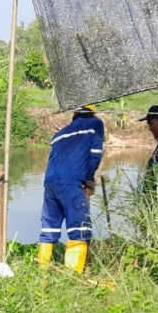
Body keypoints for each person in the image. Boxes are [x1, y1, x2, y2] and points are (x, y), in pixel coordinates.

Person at [37, 104, 104, 272]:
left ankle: (42, 270)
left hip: (50, 183)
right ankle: (72, 274)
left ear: (74, 115)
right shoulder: (95, 125)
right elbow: (95, 155)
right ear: (92, 115)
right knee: (79, 227)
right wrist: (88, 178)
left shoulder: (59, 134)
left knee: (49, 228)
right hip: (71, 182)